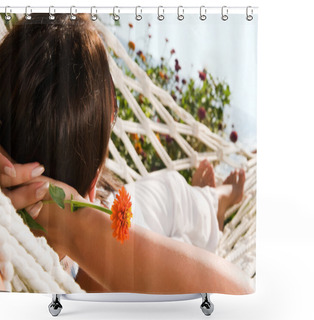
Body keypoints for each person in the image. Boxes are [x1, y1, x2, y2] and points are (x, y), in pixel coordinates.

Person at [0, 13, 252, 294]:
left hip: (115, 215)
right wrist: (76, 223)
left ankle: (210, 202)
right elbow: (243, 299)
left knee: (172, 194)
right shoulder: (85, 284)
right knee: (173, 198)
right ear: (93, 179)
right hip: (116, 229)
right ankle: (214, 203)